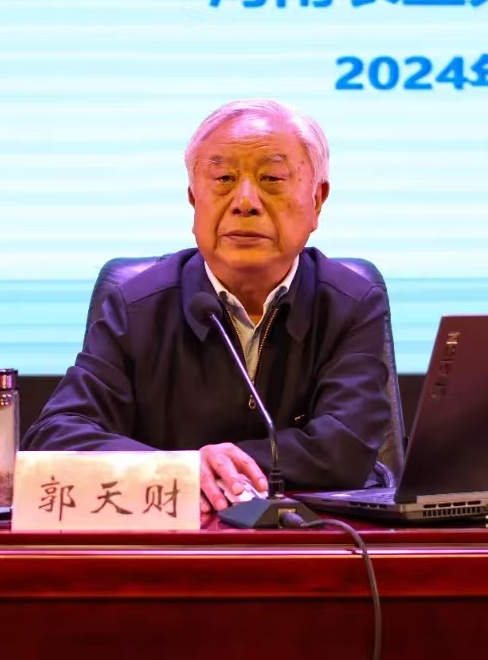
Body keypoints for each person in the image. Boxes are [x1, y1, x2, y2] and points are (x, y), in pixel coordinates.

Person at [22, 99, 399, 513]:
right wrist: (181, 470)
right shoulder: (137, 304)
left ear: (317, 200)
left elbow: (343, 451)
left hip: (304, 540)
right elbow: (54, 438)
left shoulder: (350, 302)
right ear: (193, 199)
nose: (245, 201)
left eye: (271, 178)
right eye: (223, 179)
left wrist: (218, 466)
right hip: (174, 541)